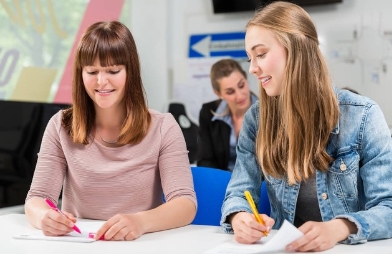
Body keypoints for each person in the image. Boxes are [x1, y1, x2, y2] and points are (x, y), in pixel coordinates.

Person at [220, 1, 392, 252]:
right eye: (249, 58)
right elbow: (237, 193)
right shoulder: (257, 120)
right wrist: (239, 218)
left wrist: (340, 227)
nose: (252, 68)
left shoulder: (363, 115)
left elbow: (388, 207)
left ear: (296, 49)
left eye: (261, 54)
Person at [24, 20, 197, 241]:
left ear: (130, 72)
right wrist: (44, 217)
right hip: (80, 244)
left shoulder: (164, 127)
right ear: (81, 73)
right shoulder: (60, 125)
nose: (101, 81)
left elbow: (185, 204)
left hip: (138, 243)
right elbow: (37, 198)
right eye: (92, 71)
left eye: (113, 70)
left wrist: (140, 222)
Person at [197, 59, 258, 171]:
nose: (239, 96)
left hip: (259, 184)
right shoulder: (208, 112)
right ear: (218, 93)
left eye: (241, 85)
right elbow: (205, 160)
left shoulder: (268, 112)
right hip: (222, 182)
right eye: (230, 92)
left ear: (246, 78)